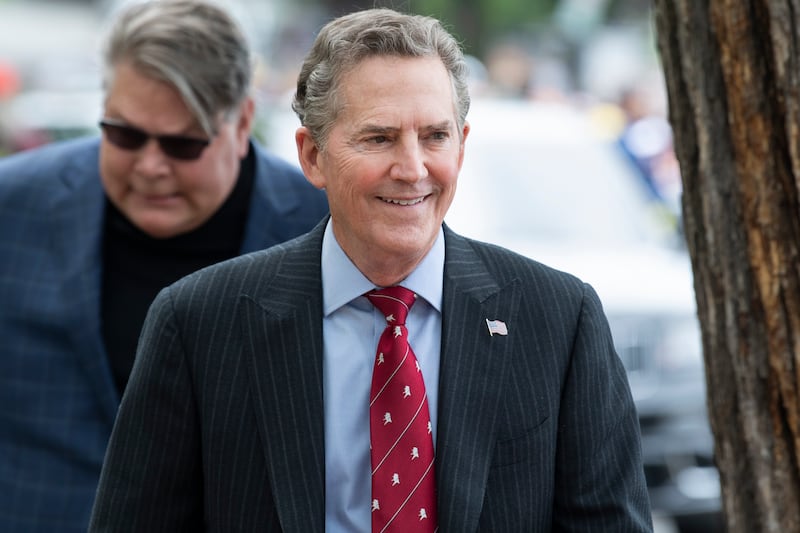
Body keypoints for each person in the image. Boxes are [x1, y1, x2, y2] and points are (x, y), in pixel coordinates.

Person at [89, 8, 652, 532]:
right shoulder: (198, 323)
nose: (412, 169)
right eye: (379, 138)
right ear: (312, 156)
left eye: (435, 136)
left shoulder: (558, 317)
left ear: (462, 146)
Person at [0, 1, 328, 531]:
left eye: (182, 144)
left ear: (243, 120)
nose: (151, 166)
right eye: (125, 135)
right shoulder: (11, 208)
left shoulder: (323, 229)